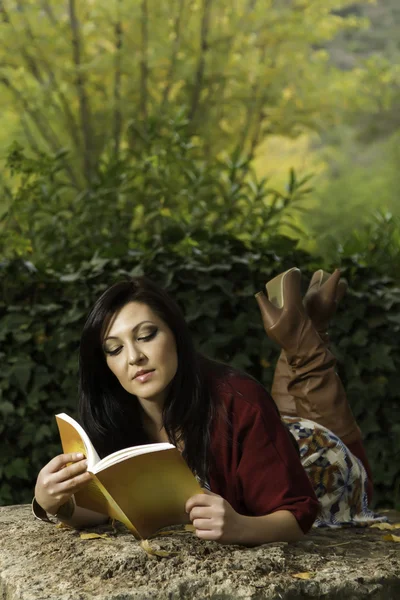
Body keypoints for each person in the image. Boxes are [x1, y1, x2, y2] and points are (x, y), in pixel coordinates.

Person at [32, 270, 382, 545]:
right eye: (114, 348)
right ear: (104, 362)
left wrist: (242, 526)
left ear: (176, 335)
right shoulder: (112, 414)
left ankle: (308, 334)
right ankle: (305, 328)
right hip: (269, 439)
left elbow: (299, 514)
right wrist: (53, 503)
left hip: (318, 458)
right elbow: (108, 511)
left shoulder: (240, 401)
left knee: (315, 420)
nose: (134, 357)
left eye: (146, 335)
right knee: (284, 402)